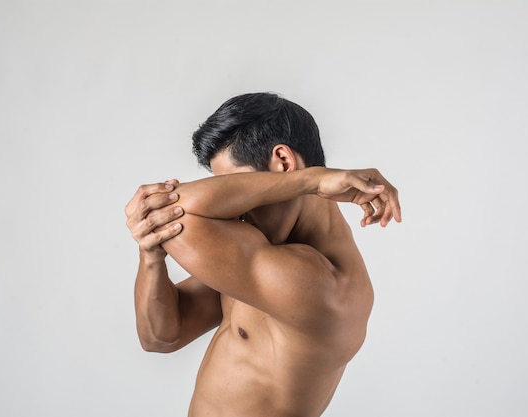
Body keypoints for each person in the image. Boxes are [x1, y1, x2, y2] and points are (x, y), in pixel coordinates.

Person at [125, 93, 401, 417]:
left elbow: (174, 209)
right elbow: (161, 338)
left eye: (236, 185)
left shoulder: (321, 286)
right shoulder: (261, 249)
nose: (233, 209)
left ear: (283, 163)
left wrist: (311, 179)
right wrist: (151, 254)